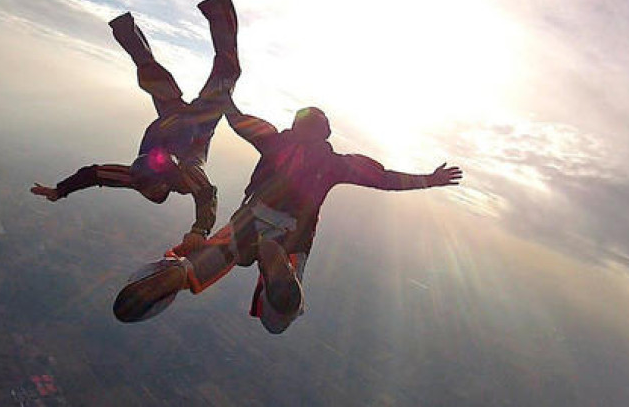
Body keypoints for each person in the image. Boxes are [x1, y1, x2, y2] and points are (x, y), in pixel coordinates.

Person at [114, 104, 463, 333]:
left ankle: (178, 273)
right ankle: (280, 262)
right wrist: (429, 180)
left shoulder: (275, 141)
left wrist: (222, 97)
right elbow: (384, 179)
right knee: (277, 319)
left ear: (294, 127)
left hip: (250, 218)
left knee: (207, 259)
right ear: (325, 135)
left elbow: (238, 120)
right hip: (294, 232)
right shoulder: (337, 163)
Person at [30, 0, 240, 251]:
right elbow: (207, 194)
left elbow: (94, 174)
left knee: (155, 68)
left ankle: (126, 27)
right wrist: (200, 230)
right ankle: (216, 8)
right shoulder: (186, 174)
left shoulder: (135, 176)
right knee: (220, 69)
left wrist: (59, 190)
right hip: (193, 122)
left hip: (176, 119)